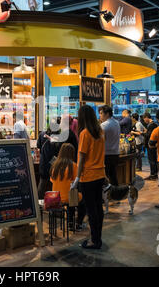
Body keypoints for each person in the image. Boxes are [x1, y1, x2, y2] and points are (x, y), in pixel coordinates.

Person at [71, 105, 106, 250]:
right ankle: (97, 238)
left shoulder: (85, 133)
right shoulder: (100, 131)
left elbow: (81, 158)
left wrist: (77, 178)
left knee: (91, 210)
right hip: (100, 175)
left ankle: (94, 241)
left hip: (88, 176)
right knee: (98, 208)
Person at [38, 118, 78, 199]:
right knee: (55, 186)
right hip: (56, 164)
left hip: (44, 162)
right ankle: (54, 204)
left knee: (42, 184)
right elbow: (63, 149)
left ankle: (39, 205)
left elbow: (38, 146)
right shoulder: (61, 136)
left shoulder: (42, 134)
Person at [49, 143, 86, 231]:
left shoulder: (55, 165)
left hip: (56, 197)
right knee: (82, 200)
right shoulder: (73, 165)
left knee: (71, 198)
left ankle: (70, 223)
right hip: (68, 197)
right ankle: (78, 223)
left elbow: (52, 180)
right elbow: (77, 181)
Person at [98, 105, 120, 186]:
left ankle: (107, 196)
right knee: (113, 176)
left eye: (101, 113)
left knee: (105, 177)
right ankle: (116, 194)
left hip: (106, 154)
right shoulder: (117, 123)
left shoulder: (104, 125)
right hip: (116, 153)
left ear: (107, 114)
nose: (99, 115)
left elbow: (100, 141)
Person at [143, 113, 158, 180]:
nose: (144, 120)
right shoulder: (153, 124)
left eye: (144, 119)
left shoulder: (152, 125)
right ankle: (153, 174)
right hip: (151, 145)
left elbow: (149, 135)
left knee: (152, 160)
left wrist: (143, 133)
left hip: (151, 145)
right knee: (152, 160)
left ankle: (153, 175)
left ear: (146, 117)